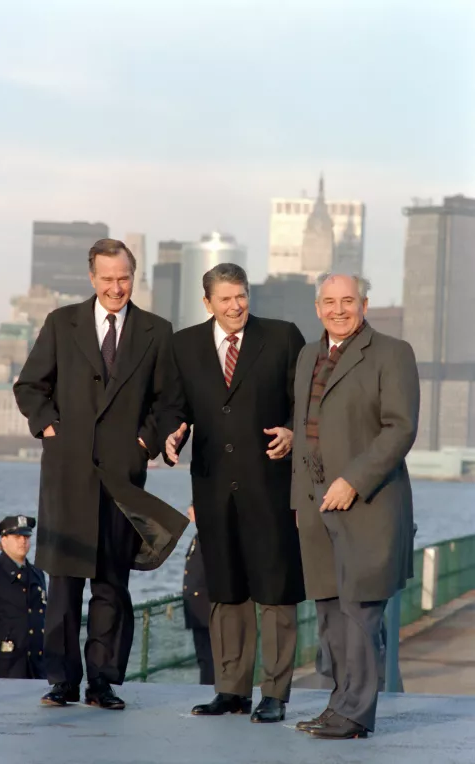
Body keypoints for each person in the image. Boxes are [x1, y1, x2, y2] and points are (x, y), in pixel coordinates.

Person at [14, 238, 188, 710]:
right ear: (92, 278)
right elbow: (30, 385)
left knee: (113, 584)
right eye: (107, 278)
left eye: (124, 278)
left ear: (135, 276)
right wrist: (49, 426)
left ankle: (103, 682)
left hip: (122, 479)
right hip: (67, 476)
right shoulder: (60, 322)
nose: (116, 287)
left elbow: (169, 403)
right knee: (65, 587)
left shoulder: (157, 330)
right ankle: (63, 681)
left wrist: (144, 443)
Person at [160, 263, 305, 723]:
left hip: (271, 487)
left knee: (275, 592)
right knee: (226, 590)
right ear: (207, 303)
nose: (236, 305)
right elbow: (173, 406)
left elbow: (306, 402)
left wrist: (292, 432)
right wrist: (170, 435)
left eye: (241, 295)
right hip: (213, 487)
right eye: (225, 299)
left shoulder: (283, 338)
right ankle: (231, 690)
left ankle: (276, 693)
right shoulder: (183, 345)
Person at [291, 272, 419, 740]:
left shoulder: (392, 353)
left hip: (368, 504)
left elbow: (399, 429)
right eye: (329, 302)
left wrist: (353, 480)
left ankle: (356, 714)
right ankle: (338, 704)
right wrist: (298, 503)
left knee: (360, 614)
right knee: (329, 613)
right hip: (315, 507)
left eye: (348, 301)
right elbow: (305, 428)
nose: (338, 310)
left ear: (365, 303)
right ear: (317, 306)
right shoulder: (309, 354)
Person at [0, 515, 46, 679]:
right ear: (4, 540)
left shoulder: (37, 575)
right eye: (17, 537)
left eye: (26, 537)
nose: (23, 541)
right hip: (5, 671)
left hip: (37, 670)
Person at [183, 505, 214, 686]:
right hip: (196, 606)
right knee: (203, 657)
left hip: (204, 606)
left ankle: (209, 690)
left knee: (208, 657)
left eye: (193, 506)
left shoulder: (207, 538)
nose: (189, 511)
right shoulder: (198, 537)